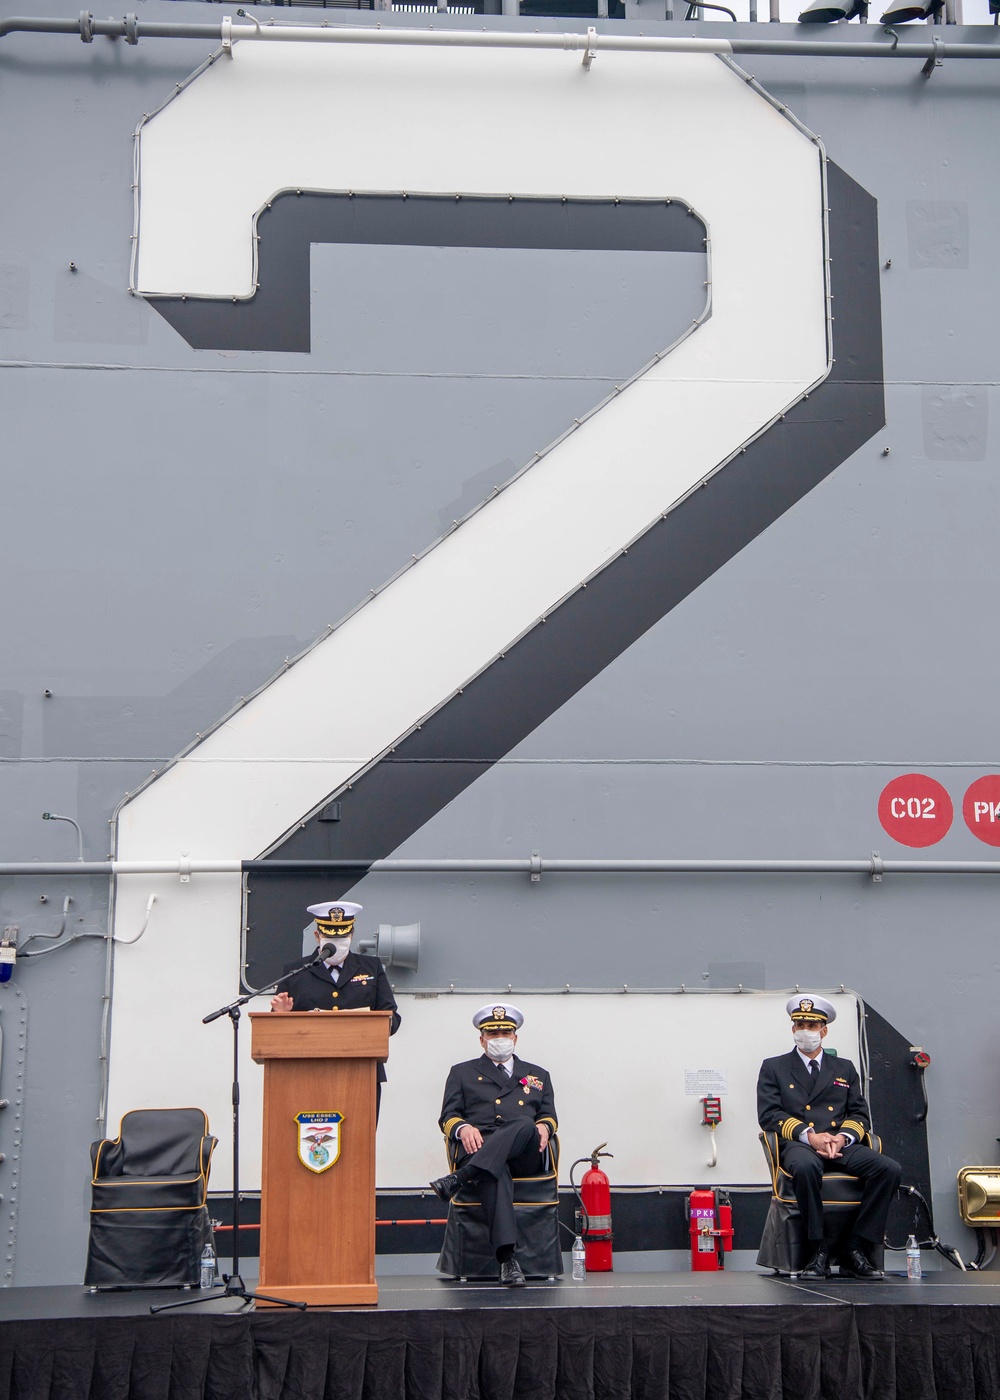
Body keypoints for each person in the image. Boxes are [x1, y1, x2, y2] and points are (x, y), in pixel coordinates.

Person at [757, 994, 901, 1280]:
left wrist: (844, 1137)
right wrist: (810, 1136)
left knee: (889, 1169)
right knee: (806, 1167)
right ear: (792, 1028)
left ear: (824, 1030)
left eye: (811, 1025)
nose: (804, 1030)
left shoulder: (844, 1068)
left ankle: (855, 1247)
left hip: (840, 1144)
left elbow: (860, 1114)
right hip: (802, 1144)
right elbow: (769, 1114)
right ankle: (818, 1250)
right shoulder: (774, 1067)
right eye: (799, 1024)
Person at [431, 1003, 557, 1287]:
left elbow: (550, 1116)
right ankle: (508, 1261)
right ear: (481, 1039)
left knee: (525, 1122)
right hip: (479, 1150)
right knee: (494, 1170)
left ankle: (459, 1178)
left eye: (505, 1032)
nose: (500, 1037)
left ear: (515, 1037)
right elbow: (448, 1117)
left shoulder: (538, 1074)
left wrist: (544, 1126)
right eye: (493, 1033)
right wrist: (462, 1128)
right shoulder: (462, 1072)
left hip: (525, 1151)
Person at [269, 901, 401, 1100]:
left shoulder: (371, 967)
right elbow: (274, 1030)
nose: (337, 941)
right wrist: (281, 1016)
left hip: (362, 1069)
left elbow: (393, 1018)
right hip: (306, 1071)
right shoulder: (296, 970)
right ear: (317, 936)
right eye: (330, 936)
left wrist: (375, 1023)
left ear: (351, 935)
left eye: (342, 936)